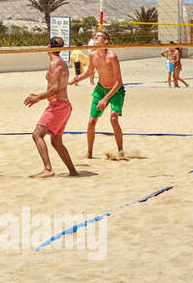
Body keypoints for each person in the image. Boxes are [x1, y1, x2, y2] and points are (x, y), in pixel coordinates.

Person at [24, 36, 79, 178]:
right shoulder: (59, 63)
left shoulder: (55, 63)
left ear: (48, 46)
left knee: (37, 135)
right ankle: (73, 171)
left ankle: (48, 169)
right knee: (56, 141)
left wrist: (37, 98)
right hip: (64, 105)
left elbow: (54, 88)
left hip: (58, 105)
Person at [69, 29, 125, 160]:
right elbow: (89, 72)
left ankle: (120, 151)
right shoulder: (93, 55)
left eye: (98, 37)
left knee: (113, 119)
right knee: (91, 122)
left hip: (116, 90)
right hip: (100, 90)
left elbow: (119, 81)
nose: (95, 38)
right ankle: (89, 153)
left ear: (105, 41)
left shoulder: (112, 56)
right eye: (94, 37)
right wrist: (75, 80)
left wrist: (106, 99)